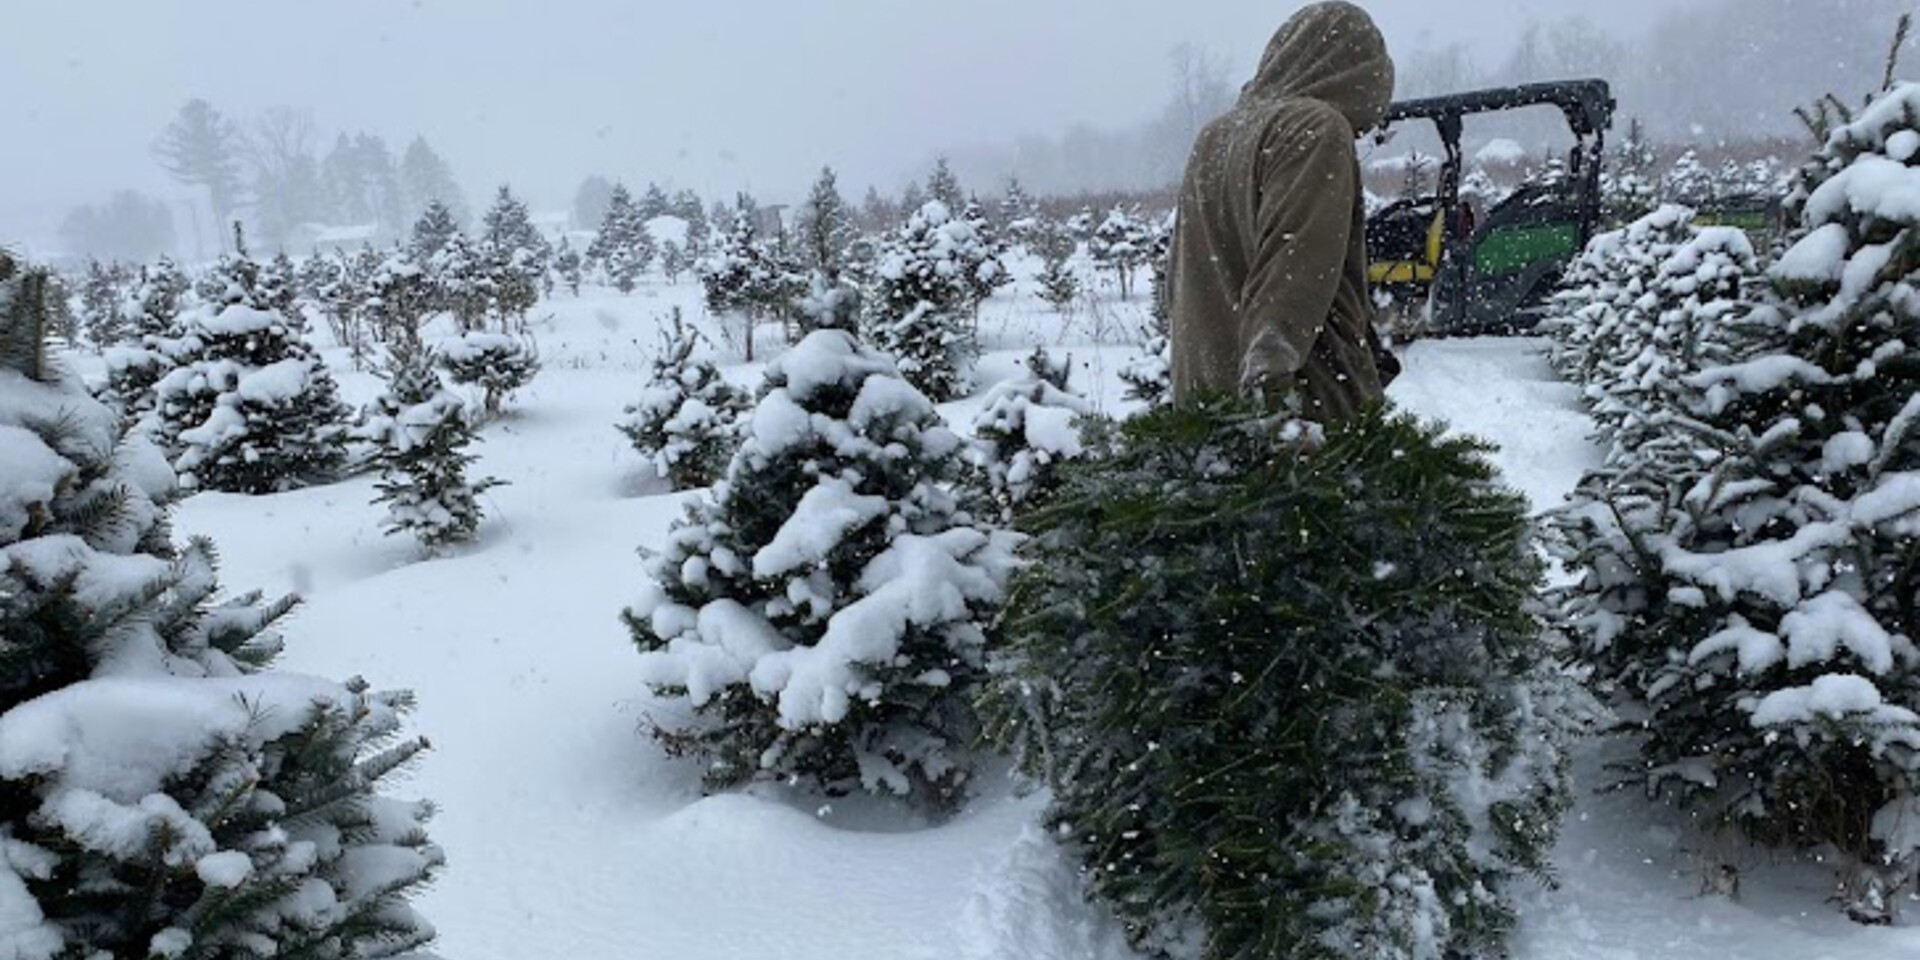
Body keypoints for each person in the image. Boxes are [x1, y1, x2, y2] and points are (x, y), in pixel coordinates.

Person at [1167, 1, 1397, 423]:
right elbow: (1293, 270)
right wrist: (1268, 396)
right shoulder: (1316, 127)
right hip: (1305, 416)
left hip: (1206, 407)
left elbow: (1182, 277)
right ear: (1349, 71)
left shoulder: (1217, 136)